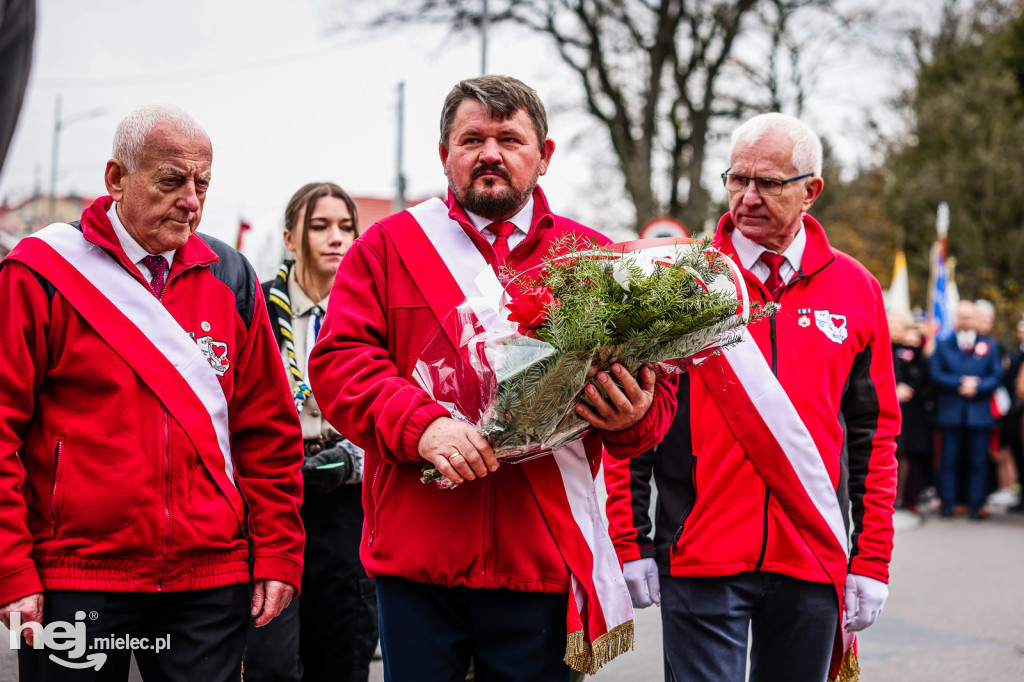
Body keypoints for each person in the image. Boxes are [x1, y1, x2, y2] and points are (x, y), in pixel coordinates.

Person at [307, 75, 677, 682]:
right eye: (471, 138)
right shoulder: (386, 247)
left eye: (510, 138)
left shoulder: (596, 259)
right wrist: (423, 427)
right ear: (445, 154)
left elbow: (655, 401)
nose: (490, 153)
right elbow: (341, 362)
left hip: (543, 559)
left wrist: (632, 415)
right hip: (417, 560)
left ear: (545, 155)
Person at [0, 104, 304, 681]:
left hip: (209, 578)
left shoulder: (230, 275)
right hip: (77, 575)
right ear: (117, 178)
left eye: (202, 183)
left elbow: (267, 428)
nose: (191, 200)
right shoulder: (39, 272)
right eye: (171, 181)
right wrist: (10, 566)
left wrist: (278, 550)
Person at [604, 113, 900, 681]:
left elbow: (875, 432)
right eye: (737, 179)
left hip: (811, 549)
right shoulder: (679, 280)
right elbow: (633, 416)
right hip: (699, 550)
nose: (748, 197)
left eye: (769, 182)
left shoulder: (856, 288)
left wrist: (873, 556)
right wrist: (628, 538)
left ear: (811, 190)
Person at [244, 182, 378, 682]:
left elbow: (400, 400)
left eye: (346, 227)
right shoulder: (253, 307)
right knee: (270, 662)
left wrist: (353, 459)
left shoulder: (371, 313)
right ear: (291, 237)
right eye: (320, 226)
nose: (336, 238)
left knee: (343, 656)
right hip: (274, 499)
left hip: (347, 503)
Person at [931, 300, 1004, 519]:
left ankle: (976, 505)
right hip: (950, 412)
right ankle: (949, 502)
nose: (965, 319)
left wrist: (978, 386)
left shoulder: (990, 346)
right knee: (949, 460)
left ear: (974, 318)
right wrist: (960, 382)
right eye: (961, 315)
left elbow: (996, 375)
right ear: (956, 318)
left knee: (978, 461)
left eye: (969, 315)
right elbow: (936, 373)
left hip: (979, 414)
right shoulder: (944, 345)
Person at [890, 311, 933, 511]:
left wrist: (911, 391)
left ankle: (904, 497)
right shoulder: (889, 351)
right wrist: (895, 388)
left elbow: (927, 382)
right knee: (894, 452)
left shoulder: (920, 358)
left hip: (913, 413)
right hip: (892, 407)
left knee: (907, 454)